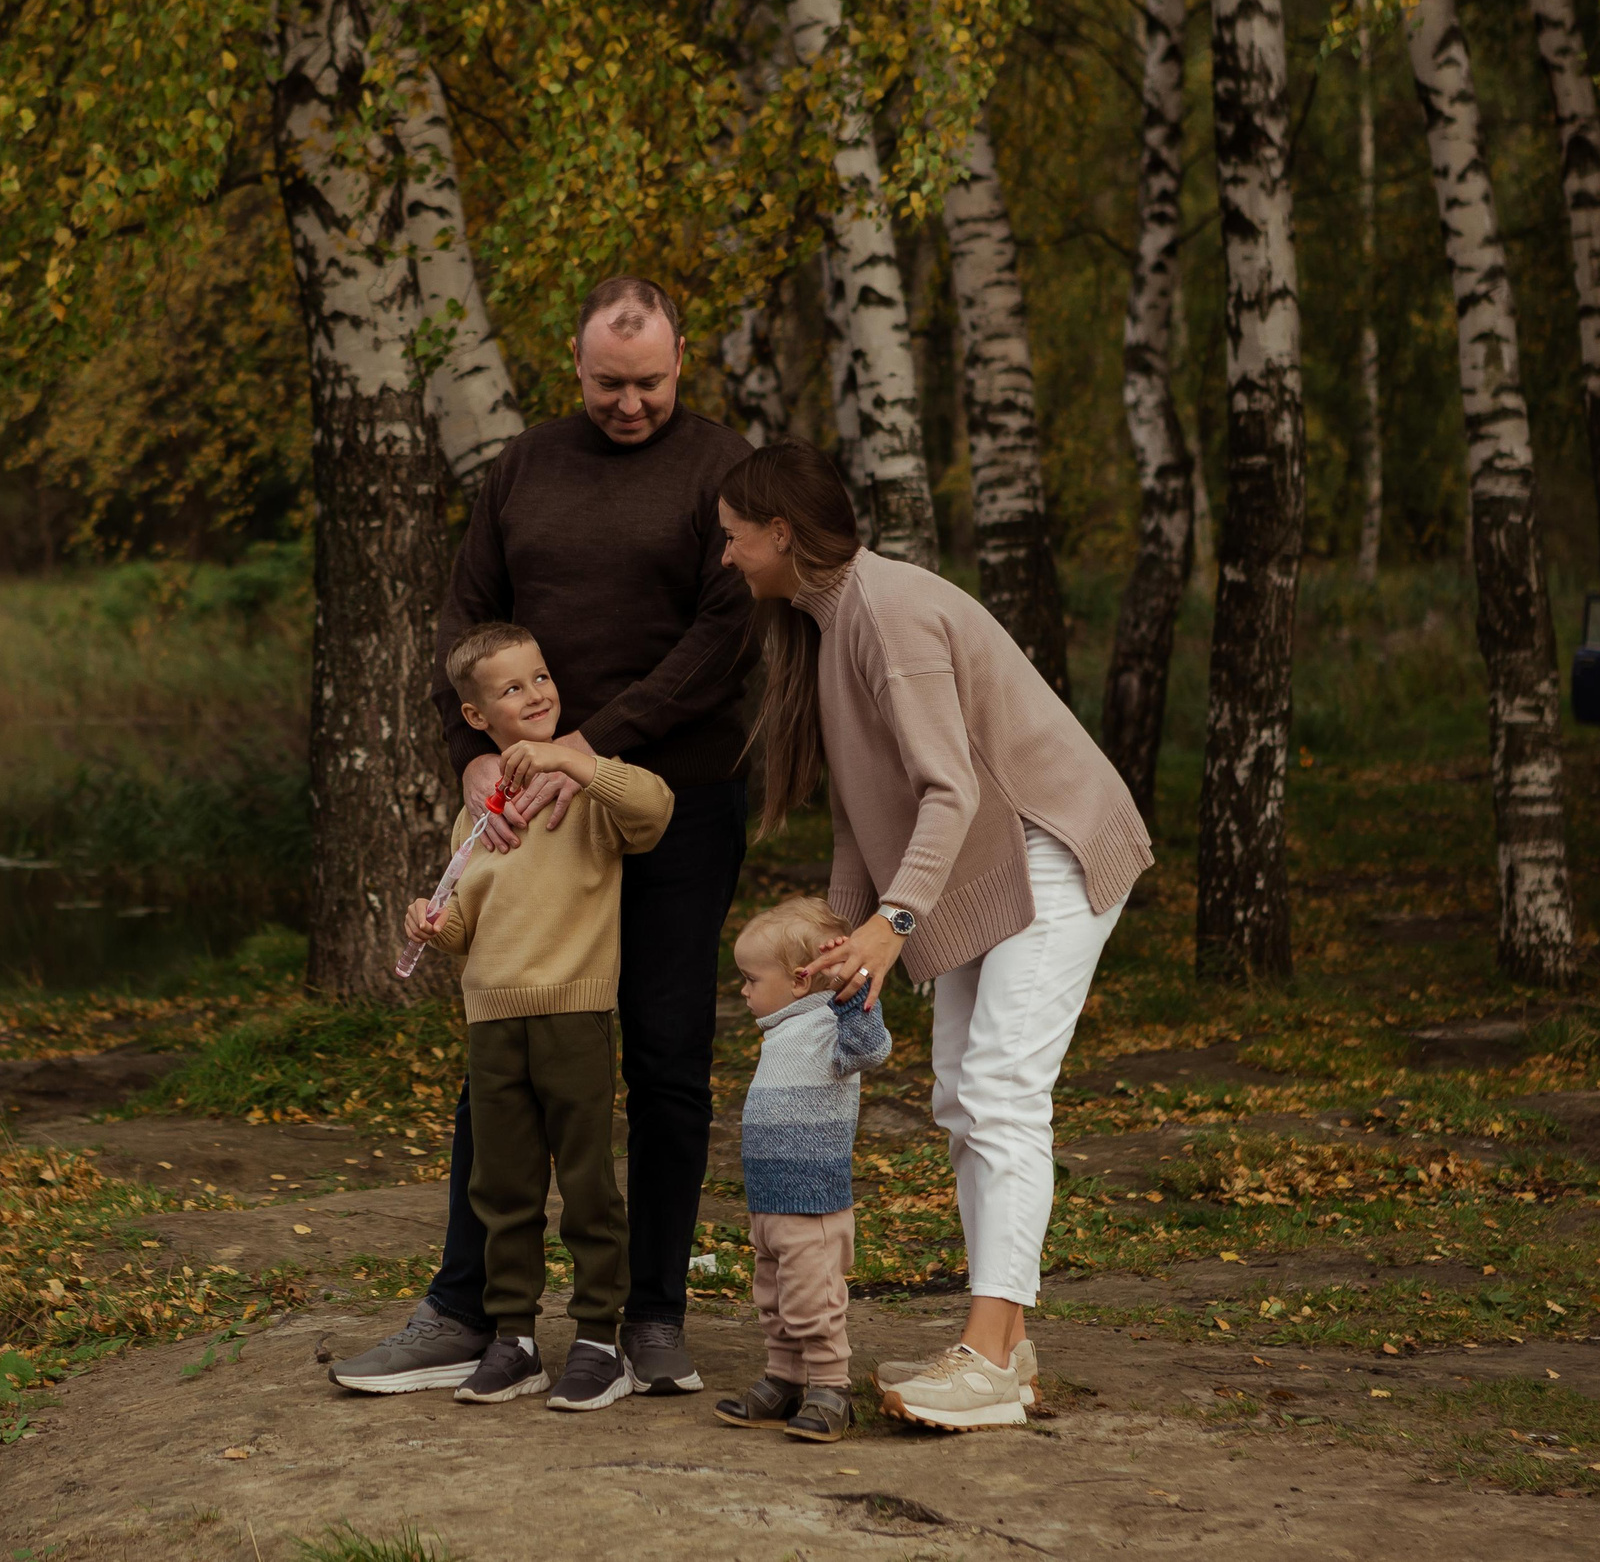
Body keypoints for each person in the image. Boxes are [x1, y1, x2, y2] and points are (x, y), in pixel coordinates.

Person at [330, 276, 753, 1399]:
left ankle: (651, 1315)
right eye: (608, 384)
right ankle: (471, 1311)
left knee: (665, 1059)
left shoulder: (721, 469)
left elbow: (725, 636)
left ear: (682, 364)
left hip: (673, 799)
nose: (628, 404)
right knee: (504, 1054)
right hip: (526, 817)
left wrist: (589, 746)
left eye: (650, 384)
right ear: (575, 369)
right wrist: (464, 753)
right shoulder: (523, 467)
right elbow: (465, 620)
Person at [714, 440, 1152, 1432]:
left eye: (733, 538)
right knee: (959, 1091)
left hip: (1050, 836)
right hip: (984, 854)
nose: (725, 557)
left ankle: (989, 1353)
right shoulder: (831, 627)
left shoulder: (891, 614)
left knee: (1000, 1085)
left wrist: (891, 922)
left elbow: (950, 786)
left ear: (782, 534)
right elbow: (862, 813)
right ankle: (1004, 1346)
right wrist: (840, 931)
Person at [394, 621, 674, 1410]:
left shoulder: (587, 790)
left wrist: (570, 760)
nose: (537, 693)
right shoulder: (479, 816)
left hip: (574, 1011)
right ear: (477, 718)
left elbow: (654, 809)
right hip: (492, 1021)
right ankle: (513, 1339)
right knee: (503, 1187)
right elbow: (464, 926)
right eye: (513, 688)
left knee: (587, 1182)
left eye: (542, 676)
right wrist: (430, 920)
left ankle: (597, 1337)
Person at [713, 896, 890, 1444]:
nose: (742, 990)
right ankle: (785, 1380)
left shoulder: (829, 1026)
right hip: (769, 1203)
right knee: (774, 1299)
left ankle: (831, 1387)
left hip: (812, 1205)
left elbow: (873, 1048)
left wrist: (855, 992)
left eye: (749, 978)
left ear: (796, 981)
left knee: (814, 1301)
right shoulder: (783, 1030)